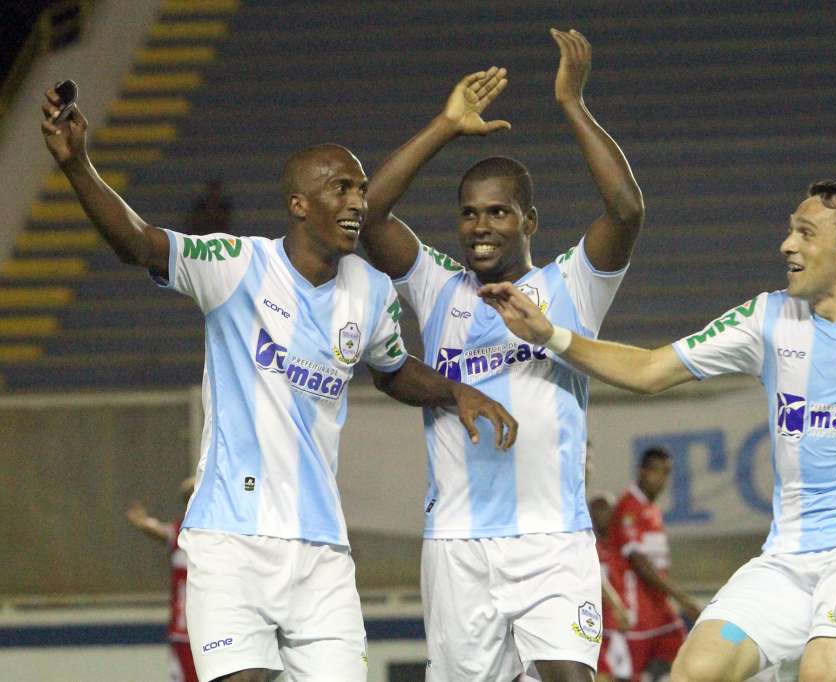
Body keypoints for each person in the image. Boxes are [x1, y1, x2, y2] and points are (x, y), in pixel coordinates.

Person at [41, 83, 516, 682]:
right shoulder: (236, 266)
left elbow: (393, 372)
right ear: (298, 204)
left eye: (362, 189)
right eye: (340, 187)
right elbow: (138, 242)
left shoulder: (370, 290)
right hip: (230, 541)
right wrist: (78, 165)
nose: (356, 202)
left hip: (321, 550)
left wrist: (454, 390)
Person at [478, 180, 836, 682]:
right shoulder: (765, 319)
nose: (787, 244)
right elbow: (648, 370)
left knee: (824, 671)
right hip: (789, 559)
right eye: (790, 229)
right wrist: (551, 334)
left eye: (805, 233)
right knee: (698, 668)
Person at [360, 29, 644, 681]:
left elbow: (625, 210)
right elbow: (368, 218)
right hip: (458, 546)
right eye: (468, 214)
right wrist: (445, 126)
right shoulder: (437, 286)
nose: (480, 227)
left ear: (530, 222)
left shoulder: (570, 286)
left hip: (553, 540)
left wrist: (572, 104)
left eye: (498, 213)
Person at [608, 447, 701, 682]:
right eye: (655, 471)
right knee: (631, 675)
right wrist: (681, 596)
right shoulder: (628, 507)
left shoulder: (653, 509)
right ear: (641, 471)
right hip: (637, 608)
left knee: (684, 654)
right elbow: (640, 564)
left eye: (666, 472)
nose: (661, 479)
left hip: (659, 607)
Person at [127, 477, 198, 682]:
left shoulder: (219, 536)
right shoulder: (179, 535)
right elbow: (159, 531)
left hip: (211, 628)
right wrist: (143, 523)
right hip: (183, 630)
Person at [591, 491, 633, 682]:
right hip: (597, 627)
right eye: (596, 509)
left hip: (621, 627)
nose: (602, 514)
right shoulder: (588, 547)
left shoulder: (622, 547)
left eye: (606, 508)